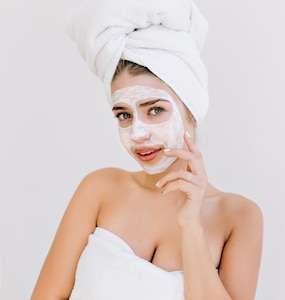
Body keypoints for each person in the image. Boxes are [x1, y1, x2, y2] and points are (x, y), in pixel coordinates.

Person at [31, 0, 263, 299]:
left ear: (191, 110)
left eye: (155, 110)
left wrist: (190, 225)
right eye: (124, 115)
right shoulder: (100, 189)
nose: (138, 134)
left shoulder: (239, 217)